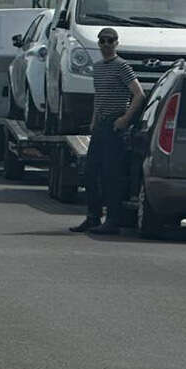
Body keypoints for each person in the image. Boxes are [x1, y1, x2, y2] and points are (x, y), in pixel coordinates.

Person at [71, 27, 144, 235]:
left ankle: (113, 220)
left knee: (112, 175)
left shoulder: (122, 67)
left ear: (116, 44)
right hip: (100, 126)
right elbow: (98, 96)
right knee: (91, 172)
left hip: (114, 126)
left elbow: (138, 94)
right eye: (102, 41)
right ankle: (93, 217)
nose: (106, 45)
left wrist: (124, 119)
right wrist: (94, 120)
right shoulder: (98, 67)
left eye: (110, 41)